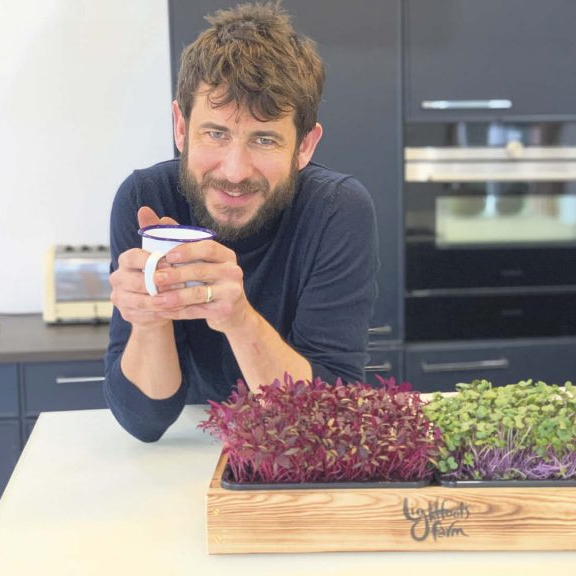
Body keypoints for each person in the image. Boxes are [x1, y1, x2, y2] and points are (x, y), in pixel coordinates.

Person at [103, 2, 378, 442]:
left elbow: (327, 422)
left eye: (264, 139)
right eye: (216, 133)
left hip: (291, 457)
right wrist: (151, 317)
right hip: (190, 451)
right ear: (181, 127)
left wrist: (238, 318)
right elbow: (145, 422)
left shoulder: (336, 210)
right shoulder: (144, 200)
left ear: (305, 146)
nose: (234, 172)